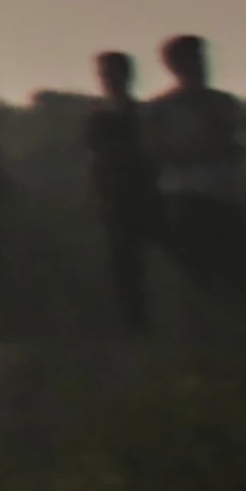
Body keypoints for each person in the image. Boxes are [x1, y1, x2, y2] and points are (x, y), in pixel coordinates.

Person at [67, 50, 169, 336]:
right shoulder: (97, 117)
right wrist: (92, 194)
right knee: (125, 269)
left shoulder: (143, 114)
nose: (108, 79)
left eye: (112, 73)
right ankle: (135, 330)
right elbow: (94, 159)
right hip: (115, 197)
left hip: (145, 193)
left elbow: (155, 152)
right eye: (104, 73)